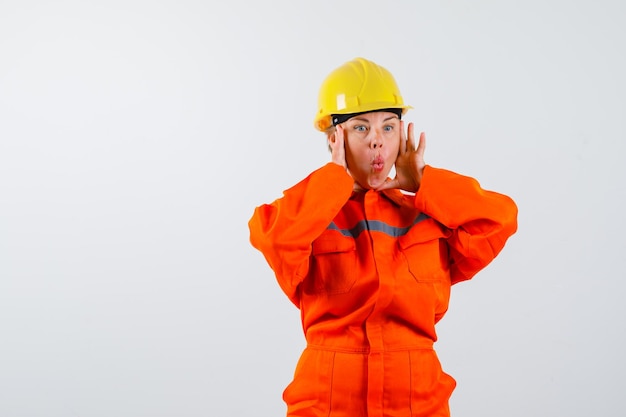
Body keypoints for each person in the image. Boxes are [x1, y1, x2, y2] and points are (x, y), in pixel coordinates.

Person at [248, 57, 518, 417]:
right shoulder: (313, 216)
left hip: (417, 401)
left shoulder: (428, 216)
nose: (378, 142)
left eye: (389, 128)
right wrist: (334, 180)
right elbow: (275, 238)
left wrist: (425, 183)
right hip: (326, 402)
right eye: (361, 128)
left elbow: (499, 219)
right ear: (334, 138)